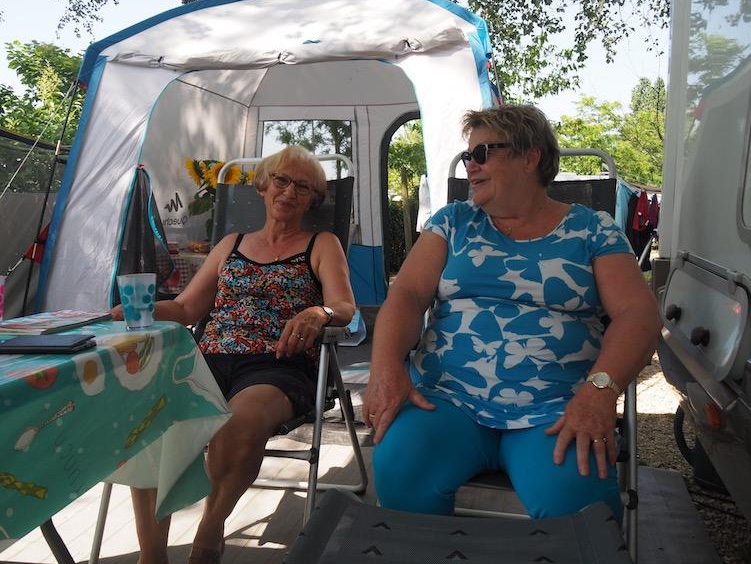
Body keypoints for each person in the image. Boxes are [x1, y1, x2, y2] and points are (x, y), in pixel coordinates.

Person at [362, 104, 661, 520]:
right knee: (399, 465)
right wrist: (386, 366)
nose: (470, 166)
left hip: (557, 407)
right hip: (448, 400)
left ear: (529, 156)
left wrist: (600, 392)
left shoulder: (592, 230)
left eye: (482, 154)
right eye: (468, 156)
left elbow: (638, 315)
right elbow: (409, 294)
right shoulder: (454, 221)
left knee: (579, 502)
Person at [112, 145, 355, 564]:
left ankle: (209, 529)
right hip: (207, 358)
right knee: (152, 422)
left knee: (238, 420)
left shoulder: (321, 243)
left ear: (313, 199)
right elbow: (188, 308)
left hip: (277, 362)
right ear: (263, 186)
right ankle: (152, 557)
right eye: (281, 180)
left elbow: (345, 307)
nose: (289, 191)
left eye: (303, 186)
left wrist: (319, 311)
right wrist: (138, 309)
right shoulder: (232, 243)